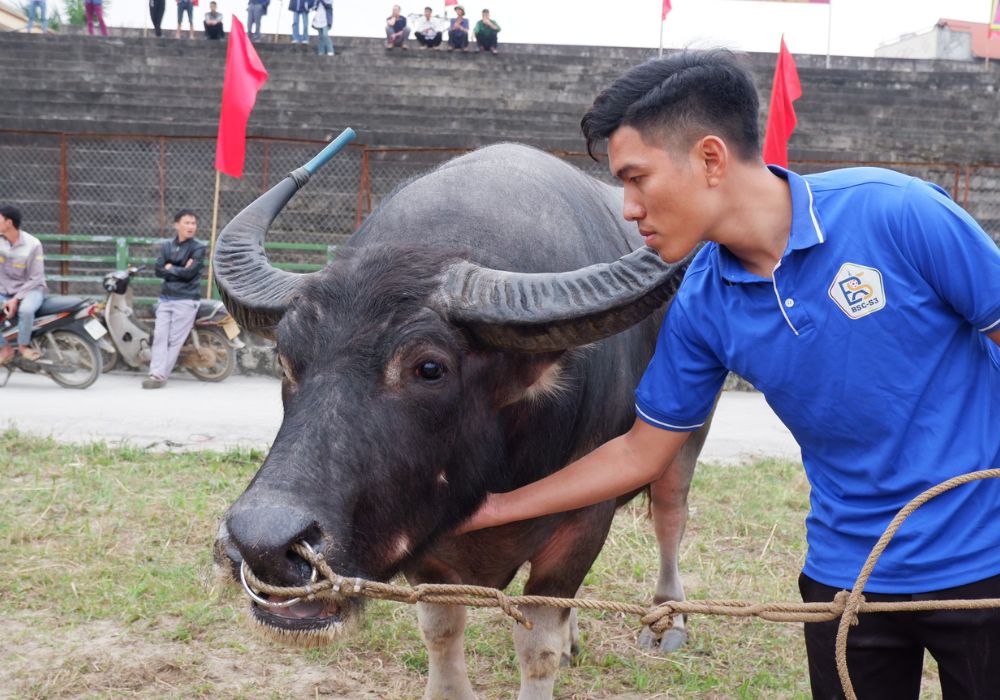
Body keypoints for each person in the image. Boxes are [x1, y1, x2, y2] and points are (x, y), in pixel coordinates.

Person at [457, 50, 1000, 699]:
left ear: (711, 159)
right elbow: (640, 451)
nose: (628, 208)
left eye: (637, 178)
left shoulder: (896, 213)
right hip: (845, 578)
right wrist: (492, 507)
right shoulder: (702, 301)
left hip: (985, 563)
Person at [143, 209, 206, 389]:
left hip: (186, 299)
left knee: (174, 340)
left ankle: (158, 375)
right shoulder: (167, 246)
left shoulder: (198, 248)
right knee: (160, 337)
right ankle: (156, 372)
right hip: (166, 298)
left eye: (193, 223)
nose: (191, 226)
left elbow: (189, 273)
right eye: (187, 223)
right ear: (176, 225)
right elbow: (158, 269)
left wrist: (170, 267)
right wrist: (177, 269)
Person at [0, 206, 47, 365]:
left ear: (9, 222)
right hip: (5, 290)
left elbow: (36, 277)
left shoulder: (33, 244)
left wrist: (16, 299)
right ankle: (5, 348)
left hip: (31, 289)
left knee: (26, 310)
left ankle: (23, 347)